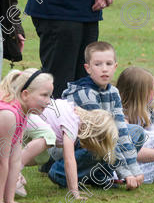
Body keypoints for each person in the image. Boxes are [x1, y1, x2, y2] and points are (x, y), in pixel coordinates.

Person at [61, 41, 145, 190]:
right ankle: (60, 173)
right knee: (99, 144)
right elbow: (104, 137)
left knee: (136, 132)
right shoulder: (85, 94)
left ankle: (99, 176)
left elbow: (121, 131)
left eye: (108, 63)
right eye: (98, 64)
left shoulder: (113, 92)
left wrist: (135, 170)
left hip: (100, 143)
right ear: (88, 68)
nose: (104, 69)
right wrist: (125, 173)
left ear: (115, 66)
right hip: (74, 147)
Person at [0, 68, 52, 203]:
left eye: (50, 95)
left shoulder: (23, 110)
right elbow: (1, 161)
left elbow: (15, 159)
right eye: (44, 95)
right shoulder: (8, 115)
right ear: (25, 94)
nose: (48, 101)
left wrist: (10, 199)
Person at [42, 100, 118, 198]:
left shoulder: (73, 112)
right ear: (93, 138)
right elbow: (69, 160)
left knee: (37, 157)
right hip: (32, 121)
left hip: (35, 120)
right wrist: (74, 191)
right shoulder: (72, 125)